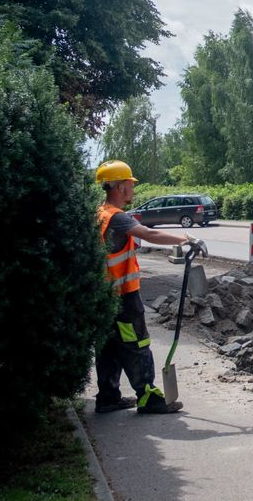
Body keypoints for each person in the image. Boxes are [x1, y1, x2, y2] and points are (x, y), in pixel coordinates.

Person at [94, 160, 196, 415]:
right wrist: (186, 238)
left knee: (108, 346)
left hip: (104, 297)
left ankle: (108, 397)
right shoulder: (117, 218)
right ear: (120, 187)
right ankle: (147, 397)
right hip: (123, 298)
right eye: (130, 184)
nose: (133, 188)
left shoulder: (100, 213)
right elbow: (150, 234)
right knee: (136, 344)